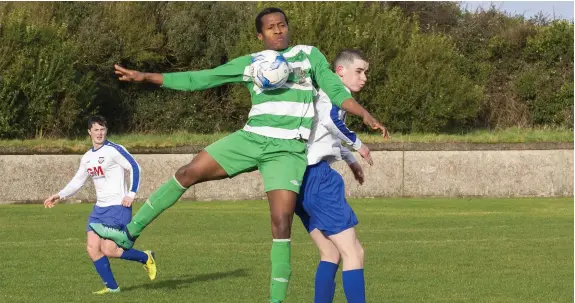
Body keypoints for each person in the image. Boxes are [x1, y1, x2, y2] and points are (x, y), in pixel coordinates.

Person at [89, 7, 388, 303]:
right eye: (270, 27)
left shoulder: (309, 55)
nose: (278, 30)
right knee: (187, 172)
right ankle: (130, 232)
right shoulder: (251, 63)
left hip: (286, 151)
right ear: (260, 35)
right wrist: (146, 77)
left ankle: (275, 299)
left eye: (282, 24)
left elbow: (335, 89)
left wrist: (363, 114)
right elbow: (201, 79)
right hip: (250, 138)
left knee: (280, 223)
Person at [44, 116, 157, 295]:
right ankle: (112, 287)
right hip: (99, 210)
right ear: (89, 132)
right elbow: (78, 180)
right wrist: (60, 195)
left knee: (108, 249)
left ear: (106, 130)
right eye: (96, 130)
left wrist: (131, 194)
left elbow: (135, 167)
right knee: (92, 248)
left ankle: (145, 257)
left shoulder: (114, 150)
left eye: (102, 129)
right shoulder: (87, 157)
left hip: (118, 207)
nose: (99, 133)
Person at [296, 49, 374, 303]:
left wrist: (351, 161)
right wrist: (358, 144)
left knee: (330, 252)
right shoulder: (334, 94)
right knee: (354, 252)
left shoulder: (321, 94)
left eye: (365, 73)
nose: (364, 78)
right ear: (340, 71)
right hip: (318, 179)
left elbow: (326, 135)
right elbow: (332, 122)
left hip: (299, 179)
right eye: (359, 71)